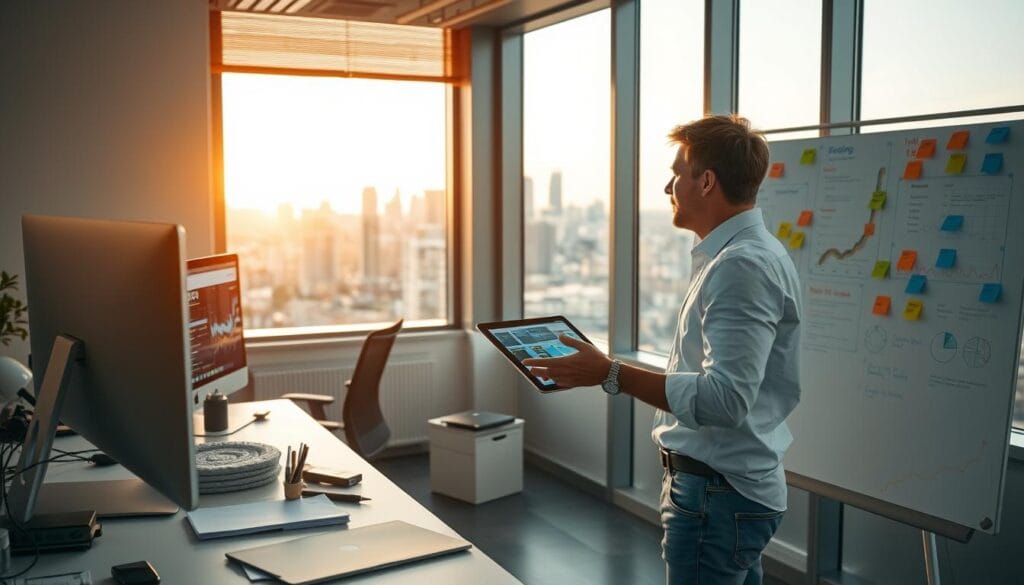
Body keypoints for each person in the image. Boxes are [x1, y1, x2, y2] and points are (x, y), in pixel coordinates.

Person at [522, 114, 801, 585]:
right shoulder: (743, 255)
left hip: (717, 494)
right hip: (729, 491)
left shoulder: (741, 266)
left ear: (707, 182)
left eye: (677, 173)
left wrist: (609, 373)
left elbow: (725, 400)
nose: (667, 186)